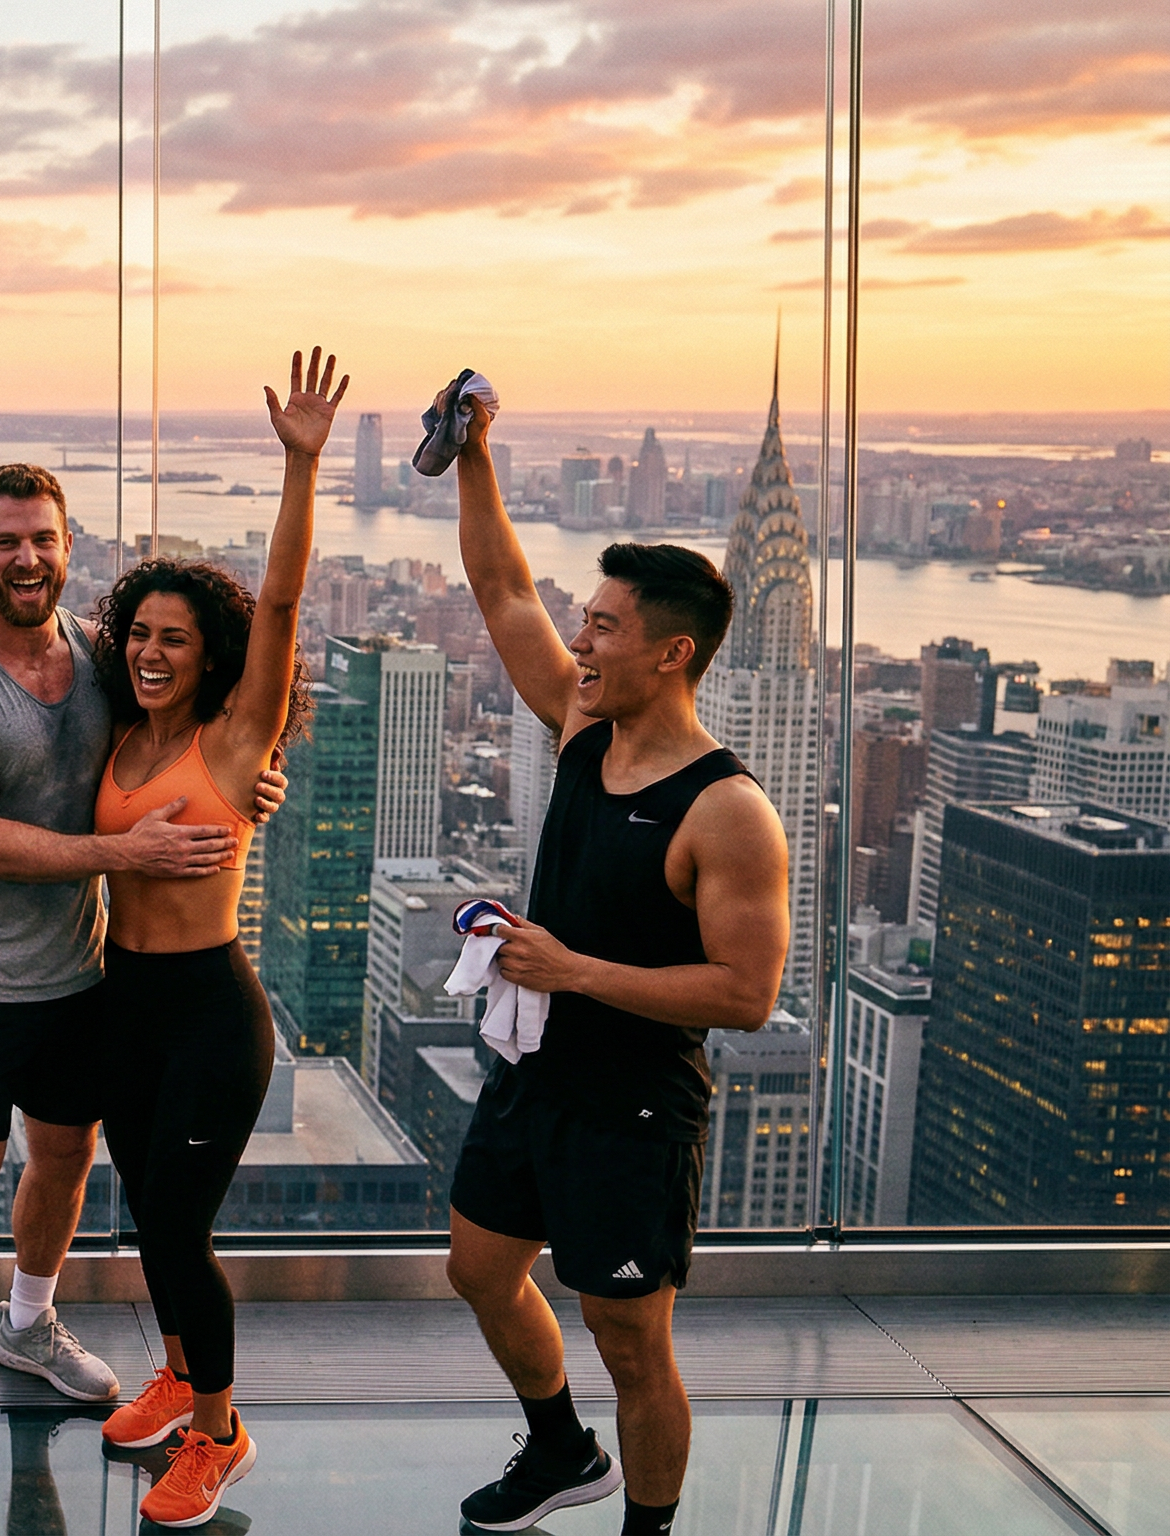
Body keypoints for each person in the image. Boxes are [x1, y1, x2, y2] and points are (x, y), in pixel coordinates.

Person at [0, 463, 288, 1504]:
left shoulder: (102, 665)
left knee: (68, 1164)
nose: (26, 557)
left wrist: (253, 782)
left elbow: (229, 687)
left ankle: (31, 1328)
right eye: (5, 541)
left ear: (69, 549)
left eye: (43, 540)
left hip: (90, 981)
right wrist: (131, 859)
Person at [441, 386, 789, 1536]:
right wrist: (476, 456)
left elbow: (747, 996)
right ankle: (558, 1451)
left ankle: (649, 1529)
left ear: (670, 652)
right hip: (532, 1070)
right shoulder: (584, 725)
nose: (577, 639)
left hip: (634, 1106)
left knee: (631, 1339)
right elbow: (498, 592)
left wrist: (572, 970)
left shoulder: (727, 811)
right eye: (583, 620)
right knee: (480, 1272)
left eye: (601, 627)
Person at [89, 348, 347, 1529]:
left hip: (207, 1006)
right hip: (120, 1001)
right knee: (147, 1208)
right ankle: (184, 1370)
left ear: (211, 655)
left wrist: (298, 468)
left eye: (175, 639)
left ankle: (221, 1430)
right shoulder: (117, 735)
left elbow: (283, 603)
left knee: (180, 1225)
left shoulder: (234, 742)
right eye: (139, 632)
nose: (151, 652)